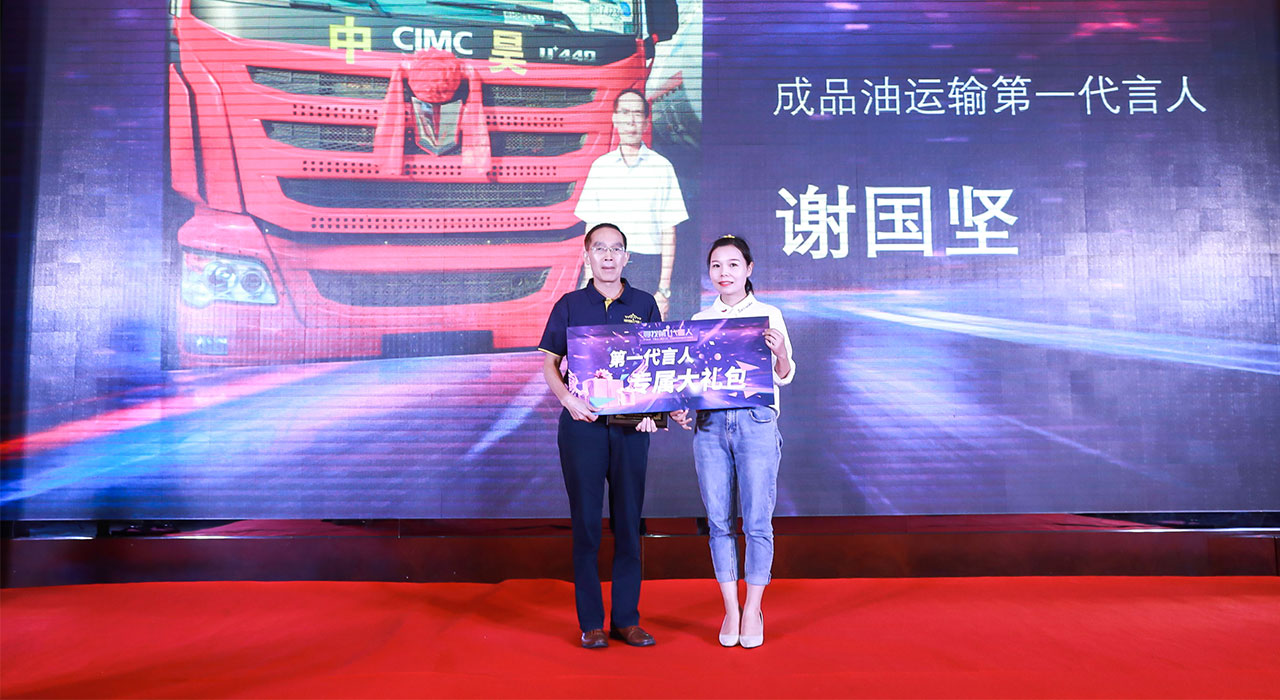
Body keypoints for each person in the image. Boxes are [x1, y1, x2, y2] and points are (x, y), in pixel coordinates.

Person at [538, 223, 664, 649]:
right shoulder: (570, 304)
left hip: (631, 431)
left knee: (629, 524)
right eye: (600, 249)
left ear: (627, 257)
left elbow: (657, 366)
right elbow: (550, 364)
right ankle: (591, 622)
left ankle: (626, 619)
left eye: (616, 249)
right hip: (582, 428)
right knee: (587, 526)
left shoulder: (644, 304)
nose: (608, 256)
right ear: (587, 255)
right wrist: (568, 401)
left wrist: (653, 414)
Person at [673, 235, 794, 649]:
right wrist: (682, 406)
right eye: (716, 266)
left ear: (748, 269)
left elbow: (784, 374)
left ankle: (754, 606)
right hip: (710, 426)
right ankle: (731, 607)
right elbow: (692, 379)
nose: (724, 273)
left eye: (732, 264)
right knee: (719, 521)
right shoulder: (700, 319)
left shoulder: (768, 314)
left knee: (757, 521)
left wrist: (781, 353)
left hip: (756, 421)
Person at [574, 89, 688, 319]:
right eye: (625, 113)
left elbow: (669, 231)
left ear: (646, 121)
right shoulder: (601, 167)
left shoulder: (662, 167)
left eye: (637, 114)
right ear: (615, 118)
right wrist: (588, 278)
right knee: (605, 333)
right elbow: (591, 227)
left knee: (643, 335)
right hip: (606, 265)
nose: (631, 121)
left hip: (647, 268)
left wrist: (663, 290)